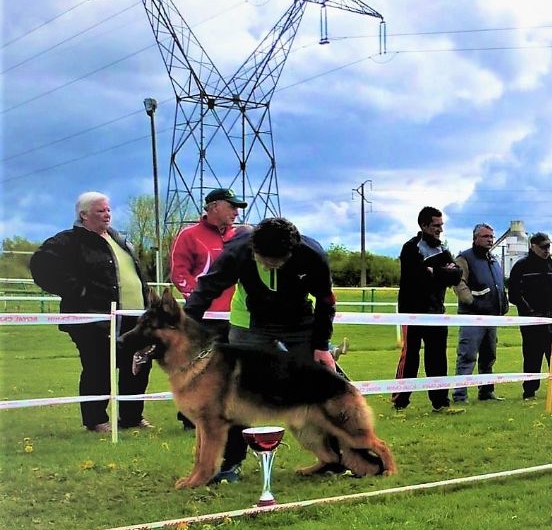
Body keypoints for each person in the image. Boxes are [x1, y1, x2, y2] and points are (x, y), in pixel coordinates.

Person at [184, 217, 338, 482]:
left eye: (277, 259)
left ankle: (334, 459)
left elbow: (325, 301)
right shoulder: (237, 252)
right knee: (235, 394)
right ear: (254, 248)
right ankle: (231, 463)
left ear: (292, 250)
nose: (269, 263)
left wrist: (322, 346)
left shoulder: (312, 255)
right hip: (251, 325)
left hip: (298, 324)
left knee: (318, 389)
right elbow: (204, 291)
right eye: (264, 257)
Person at [29, 191, 153, 432]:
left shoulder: (118, 239)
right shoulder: (69, 241)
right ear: (83, 215)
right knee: (99, 367)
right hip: (95, 320)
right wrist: (78, 291)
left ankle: (131, 417)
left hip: (133, 318)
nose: (107, 215)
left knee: (138, 365)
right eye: (100, 211)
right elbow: (41, 265)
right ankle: (96, 419)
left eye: (108, 210)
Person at [170, 186, 248, 429]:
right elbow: (179, 272)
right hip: (202, 316)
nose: (236, 212)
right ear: (214, 207)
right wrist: (199, 299)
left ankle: (227, 411)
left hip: (235, 315)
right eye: (231, 206)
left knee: (230, 366)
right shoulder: (189, 235)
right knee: (198, 366)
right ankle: (190, 417)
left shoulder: (239, 237)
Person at [392, 206, 462, 412]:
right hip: (412, 312)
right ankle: (400, 401)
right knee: (410, 357)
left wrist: (435, 272)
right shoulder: (411, 248)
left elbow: (456, 276)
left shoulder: (443, 249)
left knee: (438, 358)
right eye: (436, 225)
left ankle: (440, 402)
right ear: (423, 225)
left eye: (442, 225)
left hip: (436, 312)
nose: (440, 229)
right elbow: (417, 277)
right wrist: (440, 273)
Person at [507, 231, 552, 400]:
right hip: (531, 320)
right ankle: (529, 390)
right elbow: (514, 294)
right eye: (543, 247)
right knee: (532, 355)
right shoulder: (521, 266)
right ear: (533, 246)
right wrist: (529, 311)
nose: (547, 250)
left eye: (548, 246)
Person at [452, 222, 509, 403]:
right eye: (485, 236)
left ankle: (486, 391)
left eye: (491, 237)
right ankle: (460, 395)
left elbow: (499, 284)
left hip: (492, 317)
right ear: (475, 238)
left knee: (488, 357)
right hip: (472, 317)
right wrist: (471, 301)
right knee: (467, 355)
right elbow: (458, 282)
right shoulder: (464, 258)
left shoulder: (492, 259)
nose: (489, 240)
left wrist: (503, 304)